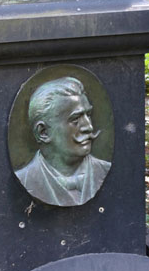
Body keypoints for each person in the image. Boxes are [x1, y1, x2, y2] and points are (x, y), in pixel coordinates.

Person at [15, 77, 110, 207]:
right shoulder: (24, 179)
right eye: (75, 119)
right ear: (43, 132)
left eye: (88, 115)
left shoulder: (105, 170)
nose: (89, 127)